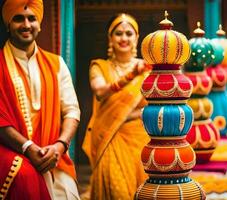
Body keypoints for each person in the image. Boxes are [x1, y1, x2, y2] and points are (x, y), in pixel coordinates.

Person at [0, 0, 80, 199]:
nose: (26, 25)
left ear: (40, 23)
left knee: (68, 193)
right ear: (8, 24)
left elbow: (71, 110)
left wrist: (60, 146)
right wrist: (28, 148)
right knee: (24, 179)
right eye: (18, 18)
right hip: (11, 151)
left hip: (53, 155)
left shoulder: (56, 63)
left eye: (31, 18)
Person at [82, 13, 151, 200]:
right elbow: (100, 91)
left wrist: (128, 116)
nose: (124, 38)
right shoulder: (99, 66)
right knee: (117, 193)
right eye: (118, 33)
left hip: (140, 140)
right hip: (109, 137)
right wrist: (129, 77)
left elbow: (157, 105)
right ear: (110, 38)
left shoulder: (147, 69)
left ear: (137, 38)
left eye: (129, 33)